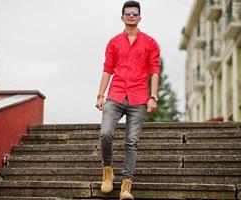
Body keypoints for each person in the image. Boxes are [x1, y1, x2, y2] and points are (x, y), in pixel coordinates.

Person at [95, 1, 160, 199]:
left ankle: (125, 186)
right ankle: (107, 171)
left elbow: (154, 71)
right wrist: (100, 94)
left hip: (139, 97)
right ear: (122, 17)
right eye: (127, 13)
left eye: (135, 13)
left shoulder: (150, 43)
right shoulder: (114, 42)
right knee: (105, 133)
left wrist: (153, 97)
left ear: (140, 18)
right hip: (115, 95)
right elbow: (108, 69)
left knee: (131, 141)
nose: (131, 16)